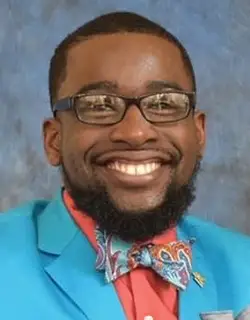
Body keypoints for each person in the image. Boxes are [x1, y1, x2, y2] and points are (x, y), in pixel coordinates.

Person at [0, 11, 250, 320]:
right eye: (99, 105)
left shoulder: (245, 264)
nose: (135, 133)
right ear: (54, 140)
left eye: (163, 104)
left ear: (199, 135)